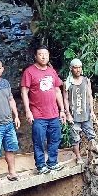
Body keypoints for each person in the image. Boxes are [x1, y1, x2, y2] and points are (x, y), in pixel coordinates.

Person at [21, 46, 67, 174]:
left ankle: (52, 162)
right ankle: (41, 165)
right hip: (38, 114)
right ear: (35, 56)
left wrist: (62, 110)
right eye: (40, 54)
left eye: (45, 54)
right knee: (39, 140)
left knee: (55, 139)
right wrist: (28, 111)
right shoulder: (29, 72)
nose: (43, 56)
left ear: (48, 55)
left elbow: (57, 90)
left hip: (53, 113)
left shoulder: (52, 71)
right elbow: (24, 91)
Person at [62, 58, 98, 164]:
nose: (78, 69)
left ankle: (91, 156)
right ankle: (78, 157)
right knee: (75, 138)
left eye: (79, 67)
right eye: (75, 67)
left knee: (91, 135)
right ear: (71, 69)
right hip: (74, 116)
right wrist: (68, 114)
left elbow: (89, 96)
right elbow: (65, 99)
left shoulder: (86, 80)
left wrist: (92, 111)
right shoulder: (67, 83)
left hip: (86, 114)